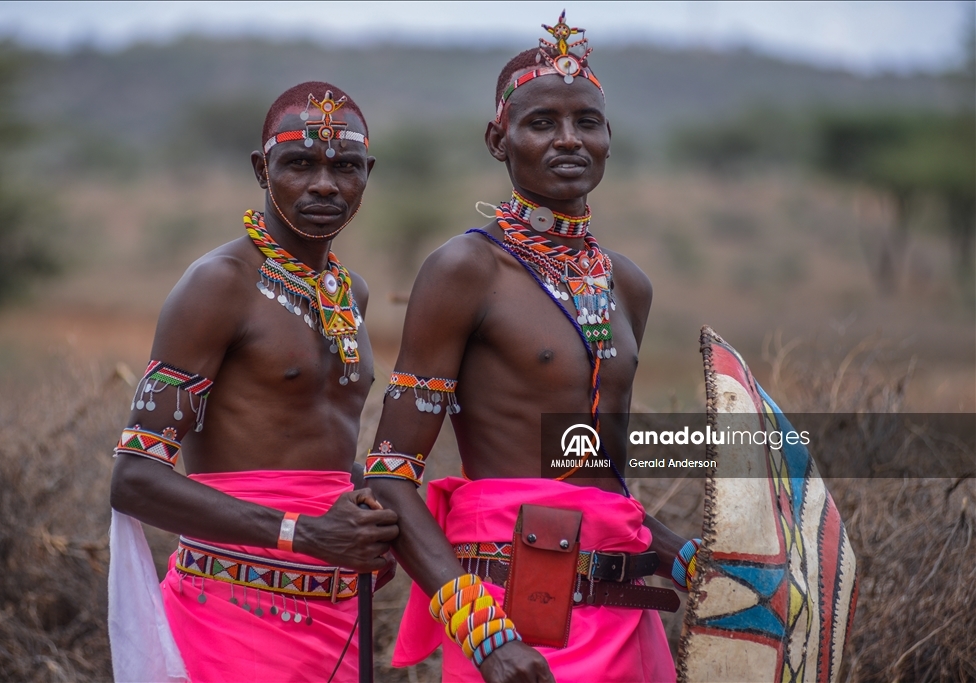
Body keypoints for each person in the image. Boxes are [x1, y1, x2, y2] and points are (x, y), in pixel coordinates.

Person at [364, 13, 700, 683]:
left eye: (588, 123)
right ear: (499, 139)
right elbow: (388, 477)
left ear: (609, 139)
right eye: (542, 122)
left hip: (624, 619)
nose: (569, 140)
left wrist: (688, 556)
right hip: (511, 622)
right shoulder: (465, 270)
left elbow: (601, 483)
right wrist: (483, 633)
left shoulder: (627, 285)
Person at [108, 81, 397, 683]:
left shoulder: (352, 293)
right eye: (299, 163)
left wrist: (369, 515)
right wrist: (306, 535)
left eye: (345, 166)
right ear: (261, 170)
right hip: (231, 617)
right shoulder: (218, 285)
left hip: (338, 613)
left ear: (366, 174)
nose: (324, 184)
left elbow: (318, 452)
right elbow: (134, 480)